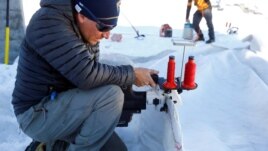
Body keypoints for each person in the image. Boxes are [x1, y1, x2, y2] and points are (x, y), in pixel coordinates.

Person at [12, 0, 158, 150]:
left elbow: (92, 72)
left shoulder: (85, 27)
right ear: (82, 15)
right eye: (103, 27)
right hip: (36, 114)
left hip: (62, 103)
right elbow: (87, 75)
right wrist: (131, 75)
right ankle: (52, 143)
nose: (107, 35)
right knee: (112, 95)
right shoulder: (48, 22)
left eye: (111, 27)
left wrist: (130, 78)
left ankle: (50, 145)